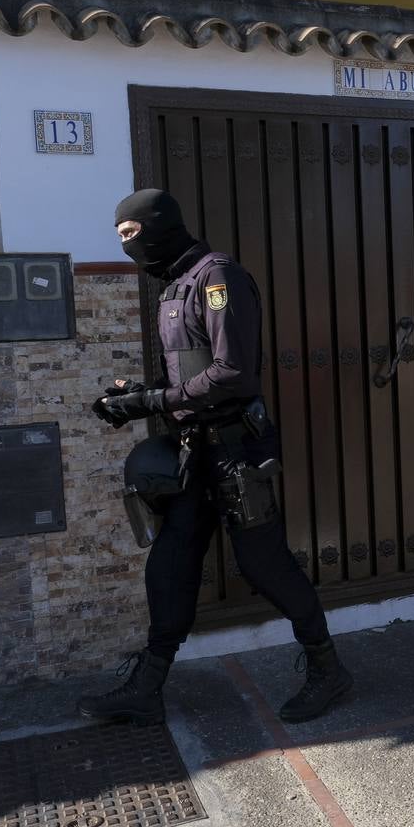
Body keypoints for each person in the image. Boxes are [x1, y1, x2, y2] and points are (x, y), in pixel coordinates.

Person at [80, 188, 351, 725]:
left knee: (264, 565)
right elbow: (187, 373)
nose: (129, 247)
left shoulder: (217, 278)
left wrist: (151, 401)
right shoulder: (173, 286)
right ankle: (147, 686)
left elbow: (232, 373)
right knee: (171, 565)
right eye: (120, 239)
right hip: (192, 454)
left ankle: (329, 670)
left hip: (234, 453)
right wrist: (135, 395)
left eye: (132, 235)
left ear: (159, 224)